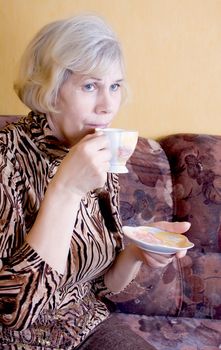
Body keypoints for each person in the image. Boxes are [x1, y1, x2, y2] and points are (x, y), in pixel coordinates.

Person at [0, 14, 190, 349]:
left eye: (114, 86)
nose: (107, 106)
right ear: (50, 90)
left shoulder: (100, 152)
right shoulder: (7, 156)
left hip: (86, 325)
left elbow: (102, 287)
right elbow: (14, 313)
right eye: (90, 86)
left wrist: (136, 251)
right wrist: (67, 188)